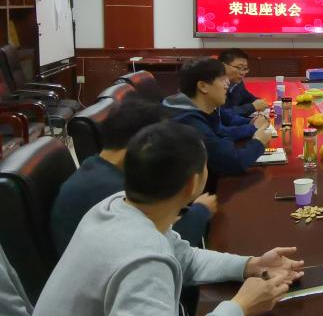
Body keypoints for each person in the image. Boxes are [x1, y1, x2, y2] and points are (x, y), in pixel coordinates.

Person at [1, 122, 302, 316]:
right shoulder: (139, 255)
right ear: (193, 183)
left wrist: (249, 265)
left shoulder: (117, 207)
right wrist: (240, 307)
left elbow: (183, 257)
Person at [51, 99, 217, 253]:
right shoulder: (113, 193)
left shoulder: (98, 168)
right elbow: (162, 249)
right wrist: (200, 211)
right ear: (139, 145)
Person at [163, 58, 273, 178]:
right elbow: (233, 162)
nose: (227, 85)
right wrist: (258, 142)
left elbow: (221, 132)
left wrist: (252, 127)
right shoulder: (189, 122)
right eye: (222, 80)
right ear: (203, 86)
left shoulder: (201, 109)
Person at [218, 49, 268, 117]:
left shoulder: (238, 84)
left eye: (245, 69)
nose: (242, 73)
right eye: (239, 67)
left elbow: (249, 99)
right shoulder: (213, 86)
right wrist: (252, 107)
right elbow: (221, 115)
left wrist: (261, 103)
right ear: (223, 66)